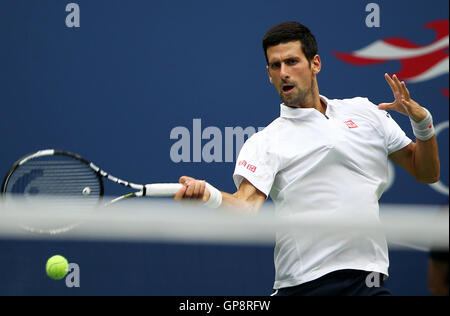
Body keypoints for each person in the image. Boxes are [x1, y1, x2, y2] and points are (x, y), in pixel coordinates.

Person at [173, 22, 440, 296]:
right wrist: (208, 195)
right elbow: (245, 206)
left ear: (315, 64)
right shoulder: (266, 141)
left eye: (291, 62)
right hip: (305, 287)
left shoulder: (365, 112)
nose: (284, 73)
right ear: (268, 74)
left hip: (368, 282)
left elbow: (426, 172)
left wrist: (423, 123)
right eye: (275, 66)